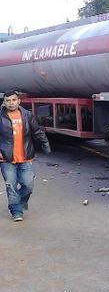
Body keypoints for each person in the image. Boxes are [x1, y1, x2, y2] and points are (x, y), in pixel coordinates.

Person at [0, 90, 51, 222]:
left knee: (28, 184)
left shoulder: (27, 115)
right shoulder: (0, 117)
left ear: (19, 101)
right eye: (8, 101)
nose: (11, 103)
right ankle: (16, 211)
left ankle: (21, 201)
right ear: (4, 102)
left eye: (13, 100)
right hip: (6, 158)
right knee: (11, 185)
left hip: (25, 157)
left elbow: (37, 131)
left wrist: (45, 144)